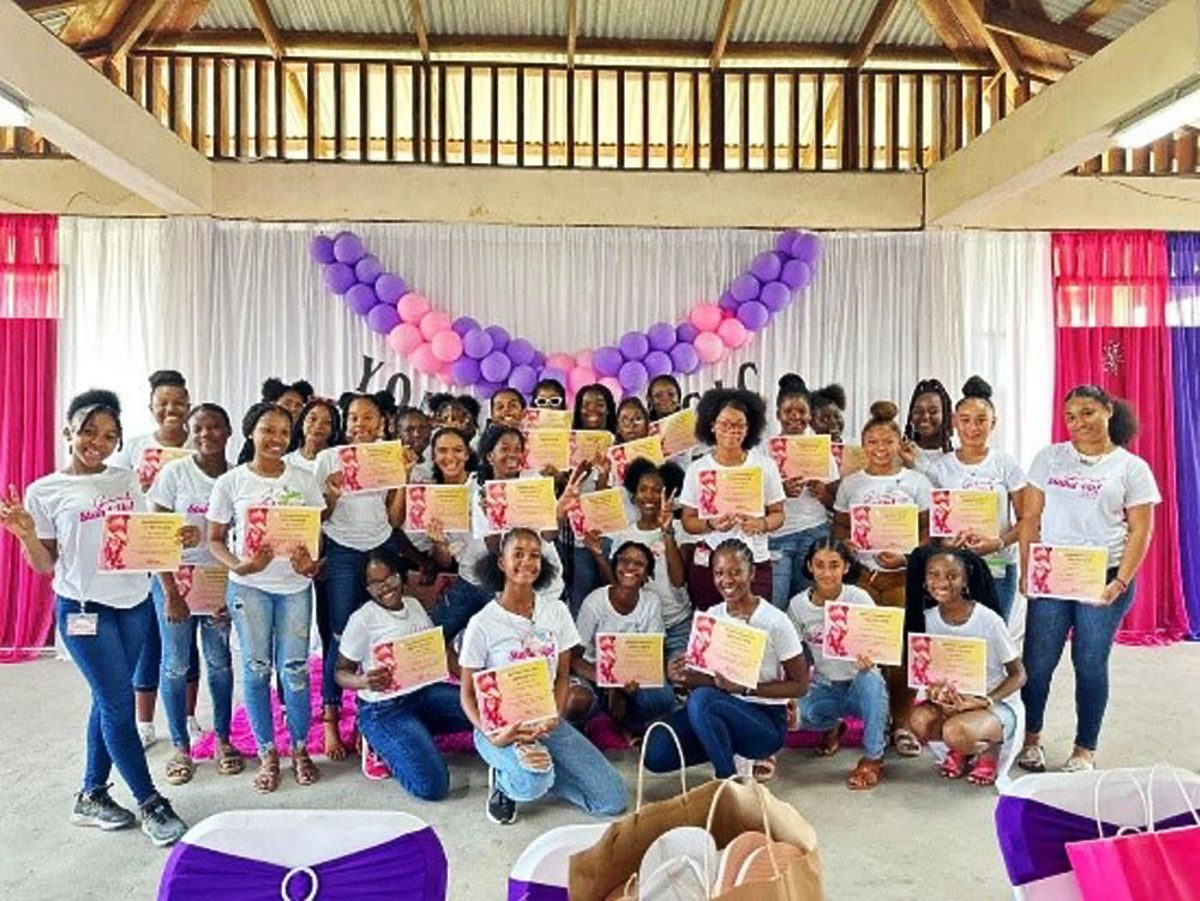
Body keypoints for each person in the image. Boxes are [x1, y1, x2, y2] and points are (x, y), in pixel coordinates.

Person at [0, 389, 188, 846]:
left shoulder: (126, 481)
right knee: (117, 702)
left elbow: (146, 538)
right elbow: (46, 564)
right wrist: (26, 534)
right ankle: (149, 802)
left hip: (134, 604)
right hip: (84, 611)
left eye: (109, 435)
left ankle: (91, 794)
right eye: (88, 431)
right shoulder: (45, 490)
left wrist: (170, 545)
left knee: (108, 700)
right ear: (69, 430)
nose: (97, 443)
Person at [1017, 385, 1160, 774]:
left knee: (1090, 663)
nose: (1078, 423)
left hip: (1104, 577)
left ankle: (1084, 750)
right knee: (1038, 661)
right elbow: (1030, 519)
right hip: (1052, 575)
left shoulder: (1132, 469)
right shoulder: (1049, 459)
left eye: (1087, 413)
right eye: (1071, 416)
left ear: (1108, 411)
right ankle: (1031, 741)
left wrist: (1122, 582)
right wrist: (1028, 569)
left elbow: (1140, 532)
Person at [458, 528, 628, 825]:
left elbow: (563, 675)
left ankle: (544, 774)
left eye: (534, 555)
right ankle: (507, 781)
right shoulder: (482, 623)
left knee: (612, 800)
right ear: (501, 562)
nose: (527, 562)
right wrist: (496, 735)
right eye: (518, 554)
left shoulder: (557, 612)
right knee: (533, 781)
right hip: (499, 729)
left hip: (547, 721)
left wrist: (554, 716)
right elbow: (467, 694)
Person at [206, 402, 325, 793]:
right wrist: (239, 566)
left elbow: (314, 541)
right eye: (267, 430)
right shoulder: (231, 482)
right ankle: (267, 752)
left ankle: (301, 748)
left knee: (295, 670)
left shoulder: (305, 480)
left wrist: (310, 563)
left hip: (294, 589)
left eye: (282, 432)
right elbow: (214, 540)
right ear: (250, 433)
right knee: (257, 670)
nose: (276, 439)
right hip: (250, 588)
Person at [643, 539, 808, 781]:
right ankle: (723, 748)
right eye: (719, 573)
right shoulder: (712, 617)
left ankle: (727, 780)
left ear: (752, 573)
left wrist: (744, 688)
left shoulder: (775, 621)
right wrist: (680, 674)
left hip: (764, 720)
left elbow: (800, 685)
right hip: (717, 709)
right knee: (656, 752)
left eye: (735, 572)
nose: (727, 580)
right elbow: (706, 680)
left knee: (703, 700)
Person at [147, 404, 243, 784]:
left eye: (215, 427)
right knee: (174, 665)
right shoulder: (174, 473)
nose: (207, 435)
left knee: (219, 662)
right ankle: (180, 748)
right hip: (177, 581)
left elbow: (243, 536)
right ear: (190, 432)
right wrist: (170, 591)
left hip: (219, 579)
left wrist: (233, 589)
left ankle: (222, 740)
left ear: (228, 430)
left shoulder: (237, 477)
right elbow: (153, 535)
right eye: (198, 428)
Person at [832, 400, 932, 757]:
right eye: (872, 442)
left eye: (886, 441)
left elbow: (927, 530)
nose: (879, 448)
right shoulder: (851, 483)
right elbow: (841, 524)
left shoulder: (916, 482)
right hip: (862, 577)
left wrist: (907, 555)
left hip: (902, 576)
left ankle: (902, 722)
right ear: (864, 445)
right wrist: (847, 540)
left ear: (897, 443)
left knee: (902, 651)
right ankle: (866, 718)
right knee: (863, 650)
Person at [335, 547, 472, 800]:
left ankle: (413, 735)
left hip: (423, 694)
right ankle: (376, 742)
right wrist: (362, 680)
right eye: (374, 584)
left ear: (400, 575)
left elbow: (439, 649)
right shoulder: (362, 620)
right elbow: (340, 673)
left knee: (482, 710)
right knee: (433, 788)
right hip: (385, 709)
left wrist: (473, 685)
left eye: (390, 578)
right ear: (366, 589)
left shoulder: (414, 605)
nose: (385, 587)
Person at [314, 391, 406, 760]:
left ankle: (381, 712)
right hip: (341, 550)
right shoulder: (328, 458)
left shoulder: (388, 456)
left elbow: (395, 518)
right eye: (353, 417)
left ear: (381, 423)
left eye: (369, 418)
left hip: (382, 546)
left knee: (387, 629)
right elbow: (317, 517)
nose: (360, 424)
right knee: (340, 632)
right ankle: (331, 718)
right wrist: (332, 496)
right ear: (345, 422)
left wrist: (403, 477)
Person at [111, 370, 195, 749]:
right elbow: (117, 496)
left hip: (191, 553)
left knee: (185, 640)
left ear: (188, 405)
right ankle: (144, 722)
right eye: (163, 403)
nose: (171, 409)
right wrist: (140, 488)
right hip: (146, 552)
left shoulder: (201, 443)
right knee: (149, 639)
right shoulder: (135, 447)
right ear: (151, 407)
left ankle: (189, 717)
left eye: (178, 402)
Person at [425, 425, 565, 640]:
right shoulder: (482, 492)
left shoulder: (535, 482)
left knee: (529, 641)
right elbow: (493, 549)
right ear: (490, 455)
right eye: (505, 448)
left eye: (518, 449)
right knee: (441, 635)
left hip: (535, 579)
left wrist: (560, 510)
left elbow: (549, 535)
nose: (512, 455)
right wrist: (492, 518)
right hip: (493, 578)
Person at [908, 549, 1025, 787]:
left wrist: (986, 700)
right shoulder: (926, 619)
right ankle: (960, 749)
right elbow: (925, 671)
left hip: (993, 705)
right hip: (950, 705)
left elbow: (1019, 675)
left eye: (952, 576)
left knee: (954, 731)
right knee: (919, 721)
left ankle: (987, 751)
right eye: (934, 574)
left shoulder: (988, 620)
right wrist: (932, 691)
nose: (941, 582)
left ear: (965, 580)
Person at [927, 376, 1030, 623]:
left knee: (993, 633)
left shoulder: (1006, 464)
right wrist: (946, 540)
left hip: (998, 565)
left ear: (993, 424)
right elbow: (931, 524)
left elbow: (1027, 520)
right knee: (957, 635)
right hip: (952, 567)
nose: (973, 428)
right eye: (965, 420)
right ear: (954, 422)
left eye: (981, 420)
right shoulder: (938, 469)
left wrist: (997, 543)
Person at [788, 538, 888, 790]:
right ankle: (833, 726)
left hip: (859, 685)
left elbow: (880, 645)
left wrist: (871, 660)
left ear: (845, 567)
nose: (826, 573)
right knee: (798, 714)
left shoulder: (859, 598)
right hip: (825, 685)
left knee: (872, 679)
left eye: (834, 565)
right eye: (819, 565)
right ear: (809, 566)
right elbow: (794, 654)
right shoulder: (798, 605)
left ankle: (873, 757)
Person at [680, 389, 786, 610]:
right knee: (712, 625)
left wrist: (762, 524)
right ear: (712, 425)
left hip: (754, 559)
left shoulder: (765, 466)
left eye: (739, 425)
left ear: (749, 429)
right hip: (711, 561)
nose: (732, 430)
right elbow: (688, 521)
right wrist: (710, 524)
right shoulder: (698, 469)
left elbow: (779, 514)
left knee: (753, 628)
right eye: (725, 423)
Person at [570, 541, 678, 737]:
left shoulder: (651, 602)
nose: (630, 567)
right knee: (579, 700)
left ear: (647, 574)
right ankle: (601, 720)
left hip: (634, 678)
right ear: (614, 565)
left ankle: (629, 723)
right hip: (596, 677)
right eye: (624, 560)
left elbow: (653, 654)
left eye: (639, 564)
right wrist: (611, 683)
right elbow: (574, 659)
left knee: (664, 698)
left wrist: (626, 684)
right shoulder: (595, 602)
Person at [606, 458, 692, 659]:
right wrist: (597, 555)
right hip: (639, 626)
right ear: (634, 495)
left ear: (668, 494)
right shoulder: (624, 535)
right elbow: (615, 583)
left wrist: (667, 533)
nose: (650, 496)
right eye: (643, 489)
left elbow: (679, 580)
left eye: (657, 490)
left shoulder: (680, 530)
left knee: (680, 680)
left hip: (677, 624)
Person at [768, 374, 838, 609]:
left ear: (810, 415)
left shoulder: (821, 449)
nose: (795, 417)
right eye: (789, 411)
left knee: (807, 606)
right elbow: (753, 502)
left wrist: (823, 492)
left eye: (802, 411)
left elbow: (834, 503)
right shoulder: (764, 452)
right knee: (776, 604)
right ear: (778, 414)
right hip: (778, 537)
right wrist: (780, 491)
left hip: (814, 533)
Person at [901, 378, 954, 474]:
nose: (925, 417)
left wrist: (916, 464)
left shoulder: (956, 455)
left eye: (933, 411)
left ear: (945, 415)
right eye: (918, 411)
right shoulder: (902, 452)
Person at [283, 397, 341, 475]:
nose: (318, 426)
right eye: (312, 419)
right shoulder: (287, 462)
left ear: (333, 430)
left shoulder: (339, 462)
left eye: (327, 422)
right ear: (302, 423)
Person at [395, 407, 434, 481]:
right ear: (399, 435)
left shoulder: (438, 462)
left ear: (430, 431)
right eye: (409, 430)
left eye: (422, 428)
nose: (417, 434)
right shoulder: (391, 466)